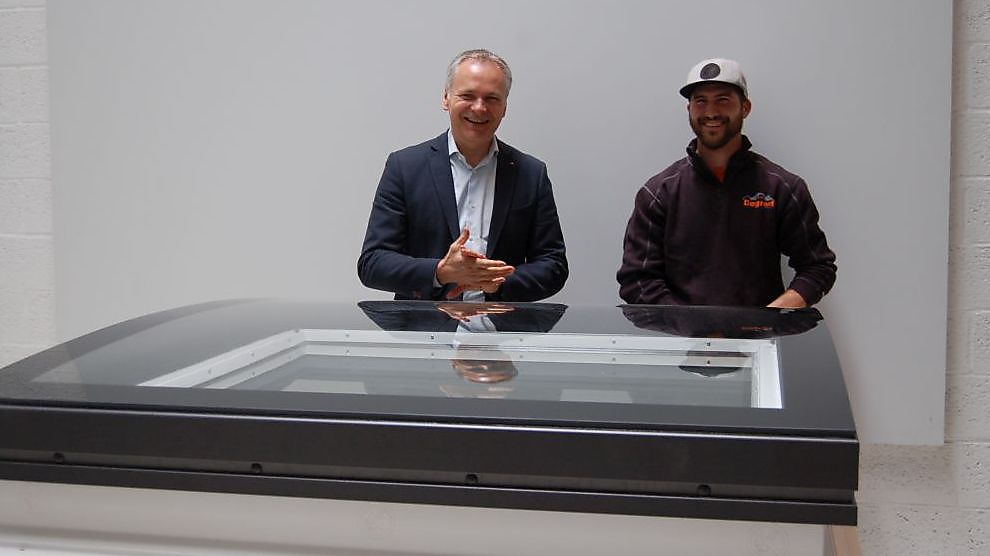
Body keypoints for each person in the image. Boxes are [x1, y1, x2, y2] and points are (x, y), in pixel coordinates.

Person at [617, 58, 836, 308]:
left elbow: (818, 267)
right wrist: (689, 324)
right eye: (701, 101)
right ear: (689, 109)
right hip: (682, 333)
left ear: (745, 108)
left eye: (723, 100)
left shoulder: (782, 188)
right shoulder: (658, 194)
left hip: (761, 332)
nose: (711, 112)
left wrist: (771, 316)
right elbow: (637, 281)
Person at [358, 49, 568, 302]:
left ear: (504, 107)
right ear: (446, 98)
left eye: (492, 98)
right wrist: (440, 272)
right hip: (425, 326)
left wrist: (498, 282)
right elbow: (373, 263)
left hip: (502, 325)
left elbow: (554, 265)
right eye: (467, 96)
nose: (479, 108)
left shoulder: (531, 174)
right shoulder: (404, 167)